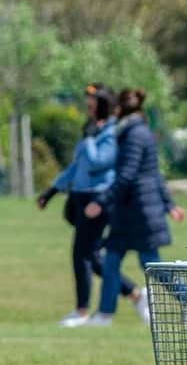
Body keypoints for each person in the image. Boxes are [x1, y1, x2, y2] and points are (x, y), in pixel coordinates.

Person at [84, 88, 187, 326]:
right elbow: (155, 174)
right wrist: (169, 204)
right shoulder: (133, 131)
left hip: (140, 211)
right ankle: (104, 315)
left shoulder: (135, 134)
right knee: (111, 261)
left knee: (150, 263)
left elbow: (128, 175)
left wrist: (101, 202)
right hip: (128, 212)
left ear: (120, 109)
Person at [37, 85, 149, 328]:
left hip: (98, 200)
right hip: (80, 198)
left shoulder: (110, 131)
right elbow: (77, 166)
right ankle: (136, 295)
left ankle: (82, 311)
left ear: (103, 104)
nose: (87, 108)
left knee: (81, 254)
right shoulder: (92, 129)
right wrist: (52, 190)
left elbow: (100, 161)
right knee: (93, 257)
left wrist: (89, 138)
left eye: (91, 104)